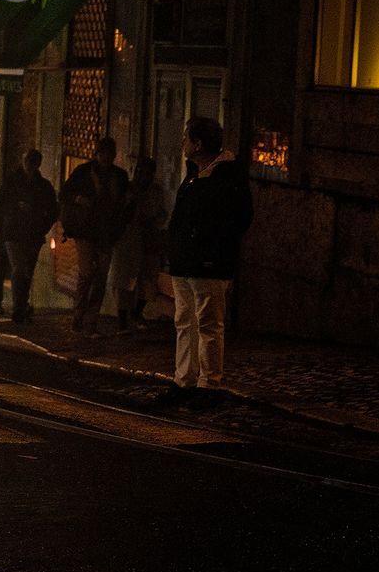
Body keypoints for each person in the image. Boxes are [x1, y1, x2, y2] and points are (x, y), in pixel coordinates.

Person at [162, 116, 254, 401]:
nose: (182, 144)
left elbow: (239, 219)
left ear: (199, 144)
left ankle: (208, 384)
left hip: (209, 264)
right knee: (185, 321)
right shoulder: (192, 175)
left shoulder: (227, 176)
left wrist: (211, 249)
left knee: (209, 323)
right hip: (184, 263)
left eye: (186, 138)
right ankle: (184, 380)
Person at [59, 136, 130, 334]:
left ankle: (90, 321)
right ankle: (79, 316)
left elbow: (125, 205)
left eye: (109, 154)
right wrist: (79, 199)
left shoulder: (120, 177)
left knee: (100, 277)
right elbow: (64, 193)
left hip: (107, 233)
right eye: (102, 153)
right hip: (85, 231)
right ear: (96, 154)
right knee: (86, 273)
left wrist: (119, 224)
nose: (105, 158)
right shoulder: (83, 173)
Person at [0, 150, 60, 323]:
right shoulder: (12, 183)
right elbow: (0, 205)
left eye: (34, 163)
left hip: (33, 235)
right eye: (28, 162)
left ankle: (22, 303)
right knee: (18, 268)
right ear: (23, 162)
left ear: (38, 164)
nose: (30, 166)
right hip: (13, 233)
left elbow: (52, 210)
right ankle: (19, 307)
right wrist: (0, 229)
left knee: (27, 272)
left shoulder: (43, 187)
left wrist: (39, 222)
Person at [109, 156, 167, 330]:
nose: (142, 176)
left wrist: (156, 221)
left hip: (149, 238)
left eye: (146, 173)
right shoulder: (127, 189)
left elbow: (162, 213)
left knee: (148, 277)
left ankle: (137, 312)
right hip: (128, 238)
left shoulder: (156, 192)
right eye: (139, 172)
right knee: (125, 279)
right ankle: (122, 318)